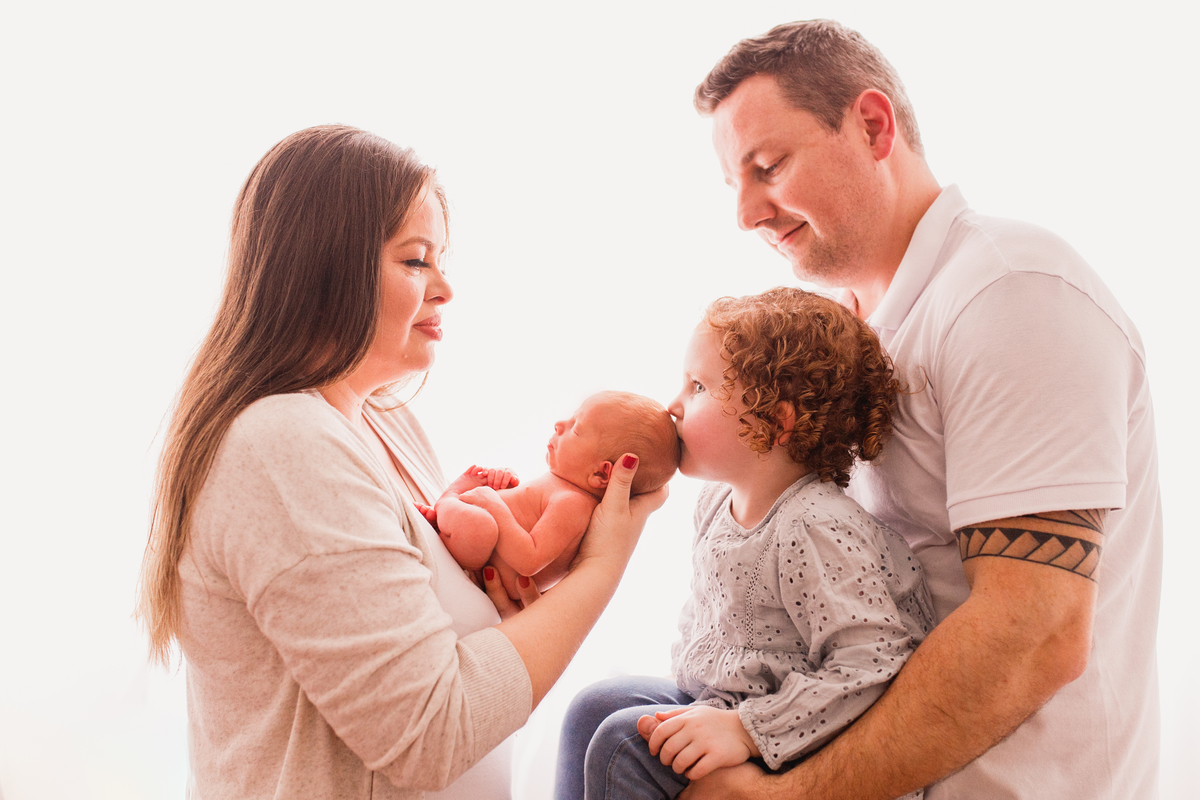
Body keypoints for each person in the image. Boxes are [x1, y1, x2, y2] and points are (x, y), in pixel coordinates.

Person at [674, 19, 1162, 800]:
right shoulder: (844, 335)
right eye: (734, 183)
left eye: (768, 168)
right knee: (612, 723)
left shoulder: (1012, 294)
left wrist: (788, 796)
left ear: (873, 126)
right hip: (865, 766)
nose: (747, 213)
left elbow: (1035, 634)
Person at [134, 125, 667, 800]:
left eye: (440, 260)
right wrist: (601, 566)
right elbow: (428, 736)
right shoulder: (283, 443)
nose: (445, 289)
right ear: (325, 270)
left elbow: (442, 657)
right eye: (416, 261)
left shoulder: (384, 422)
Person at [555, 288, 934, 799]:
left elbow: (872, 664)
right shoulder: (715, 502)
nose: (673, 405)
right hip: (724, 703)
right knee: (595, 706)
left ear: (775, 422)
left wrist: (748, 731)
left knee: (624, 743)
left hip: (802, 731)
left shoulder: (814, 526)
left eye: (698, 387)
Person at [425, 391, 679, 600]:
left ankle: (448, 499)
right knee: (480, 521)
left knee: (480, 528)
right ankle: (445, 516)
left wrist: (493, 503)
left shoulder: (574, 504)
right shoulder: (561, 486)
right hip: (477, 551)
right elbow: (521, 510)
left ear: (601, 474)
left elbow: (529, 560)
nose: (559, 424)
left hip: (479, 555)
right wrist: (505, 483)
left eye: (576, 428)